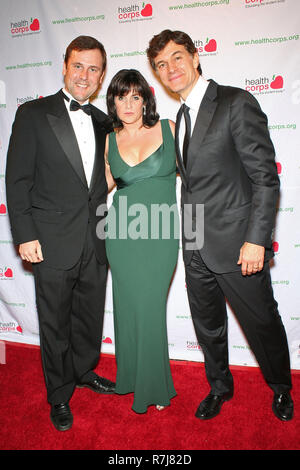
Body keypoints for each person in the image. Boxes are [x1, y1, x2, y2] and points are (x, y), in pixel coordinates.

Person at [147, 30, 293, 421]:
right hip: (195, 243)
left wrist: (256, 241)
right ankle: (219, 387)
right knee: (207, 325)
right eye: (161, 64)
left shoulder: (235, 102)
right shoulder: (179, 116)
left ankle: (281, 386)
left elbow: (265, 178)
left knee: (261, 322)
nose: (170, 68)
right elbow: (193, 185)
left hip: (238, 244)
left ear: (196, 57)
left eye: (177, 57)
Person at [5, 36, 115, 432]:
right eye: (78, 65)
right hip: (49, 240)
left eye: (94, 68)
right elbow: (17, 181)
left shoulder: (104, 120)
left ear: (102, 76)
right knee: (54, 321)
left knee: (88, 316)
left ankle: (84, 371)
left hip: (96, 237)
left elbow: (101, 178)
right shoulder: (33, 114)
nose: (85, 75)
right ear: (65, 66)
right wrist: (25, 234)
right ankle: (59, 394)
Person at [104, 69, 179, 413]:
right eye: (121, 96)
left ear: (146, 100)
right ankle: (133, 378)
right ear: (113, 101)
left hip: (160, 233)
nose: (128, 104)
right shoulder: (109, 140)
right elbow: (96, 189)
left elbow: (198, 176)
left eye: (136, 96)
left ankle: (152, 387)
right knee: (129, 308)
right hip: (121, 235)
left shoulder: (169, 130)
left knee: (150, 307)